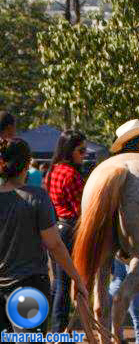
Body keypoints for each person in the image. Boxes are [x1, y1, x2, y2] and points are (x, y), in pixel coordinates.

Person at [1, 138, 89, 334]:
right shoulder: (36, 197)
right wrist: (77, 279)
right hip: (28, 288)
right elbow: (55, 245)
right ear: (27, 163)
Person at [107, 119, 139, 344]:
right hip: (134, 239)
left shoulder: (111, 166)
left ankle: (115, 328)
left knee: (119, 279)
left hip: (114, 238)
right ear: (137, 141)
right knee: (132, 285)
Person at [44, 129, 88, 332]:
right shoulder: (72, 175)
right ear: (70, 150)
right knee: (64, 283)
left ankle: (48, 328)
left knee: (57, 283)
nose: (85, 154)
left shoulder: (52, 170)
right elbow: (82, 208)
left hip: (55, 227)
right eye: (81, 150)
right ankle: (58, 331)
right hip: (70, 228)